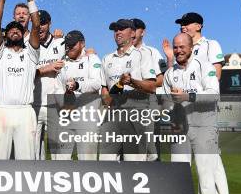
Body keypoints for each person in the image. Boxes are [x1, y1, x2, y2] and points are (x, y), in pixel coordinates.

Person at [164, 12, 237, 194]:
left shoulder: (206, 63)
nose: (178, 50)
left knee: (208, 173)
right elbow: (165, 103)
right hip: (181, 127)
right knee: (179, 173)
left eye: (181, 47)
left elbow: (213, 94)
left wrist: (187, 96)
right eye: (175, 47)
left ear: (191, 47)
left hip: (204, 124)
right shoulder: (170, 73)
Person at [0, 0, 40, 160]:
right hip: (3, 110)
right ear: (6, 34)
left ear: (22, 34)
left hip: (25, 112)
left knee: (27, 161)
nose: (15, 31)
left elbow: (35, 25)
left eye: (18, 29)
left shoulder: (31, 54)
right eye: (11, 29)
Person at [99, 19, 157, 161]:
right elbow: (104, 88)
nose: (118, 32)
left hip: (135, 113)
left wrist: (132, 82)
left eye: (122, 29)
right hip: (113, 114)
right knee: (106, 162)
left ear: (132, 33)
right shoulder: (106, 59)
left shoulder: (143, 55)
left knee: (134, 163)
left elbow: (152, 87)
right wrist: (107, 101)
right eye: (115, 29)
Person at [51, 30, 104, 160]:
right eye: (67, 44)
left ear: (82, 44)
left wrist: (77, 86)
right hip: (66, 116)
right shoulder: (62, 62)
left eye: (72, 44)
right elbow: (57, 88)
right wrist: (64, 100)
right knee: (61, 160)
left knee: (87, 161)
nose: (69, 47)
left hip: (87, 117)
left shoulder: (92, 59)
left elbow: (97, 83)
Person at [32, 9, 65, 160]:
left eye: (43, 23)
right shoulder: (28, 46)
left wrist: (89, 52)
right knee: (34, 154)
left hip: (56, 104)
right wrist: (47, 69)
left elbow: (79, 58)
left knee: (59, 152)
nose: (40, 27)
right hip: (34, 105)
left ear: (50, 24)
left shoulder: (61, 43)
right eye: (37, 24)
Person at [132, 18, 165, 161]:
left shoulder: (152, 52)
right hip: (124, 104)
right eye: (129, 29)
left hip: (146, 101)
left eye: (135, 29)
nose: (132, 33)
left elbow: (162, 79)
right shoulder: (119, 54)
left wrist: (139, 84)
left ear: (143, 32)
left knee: (148, 146)